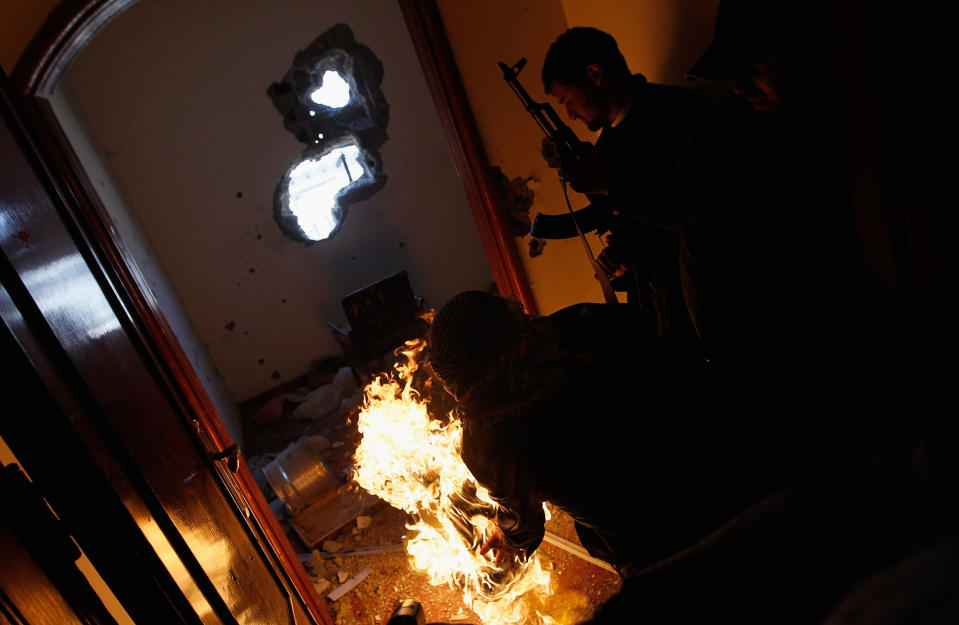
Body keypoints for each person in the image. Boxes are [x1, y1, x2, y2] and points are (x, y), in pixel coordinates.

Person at [427, 291, 891, 574]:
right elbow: (667, 348)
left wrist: (505, 538)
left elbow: (524, 526)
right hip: (727, 452)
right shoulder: (577, 325)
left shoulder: (486, 440)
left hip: (650, 540)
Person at [539, 27, 707, 345]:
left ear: (594, 74)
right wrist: (619, 262)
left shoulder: (678, 112)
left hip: (713, 305)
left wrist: (610, 185)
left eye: (568, 101)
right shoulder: (607, 147)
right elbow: (641, 232)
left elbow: (700, 215)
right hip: (668, 321)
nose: (570, 114)